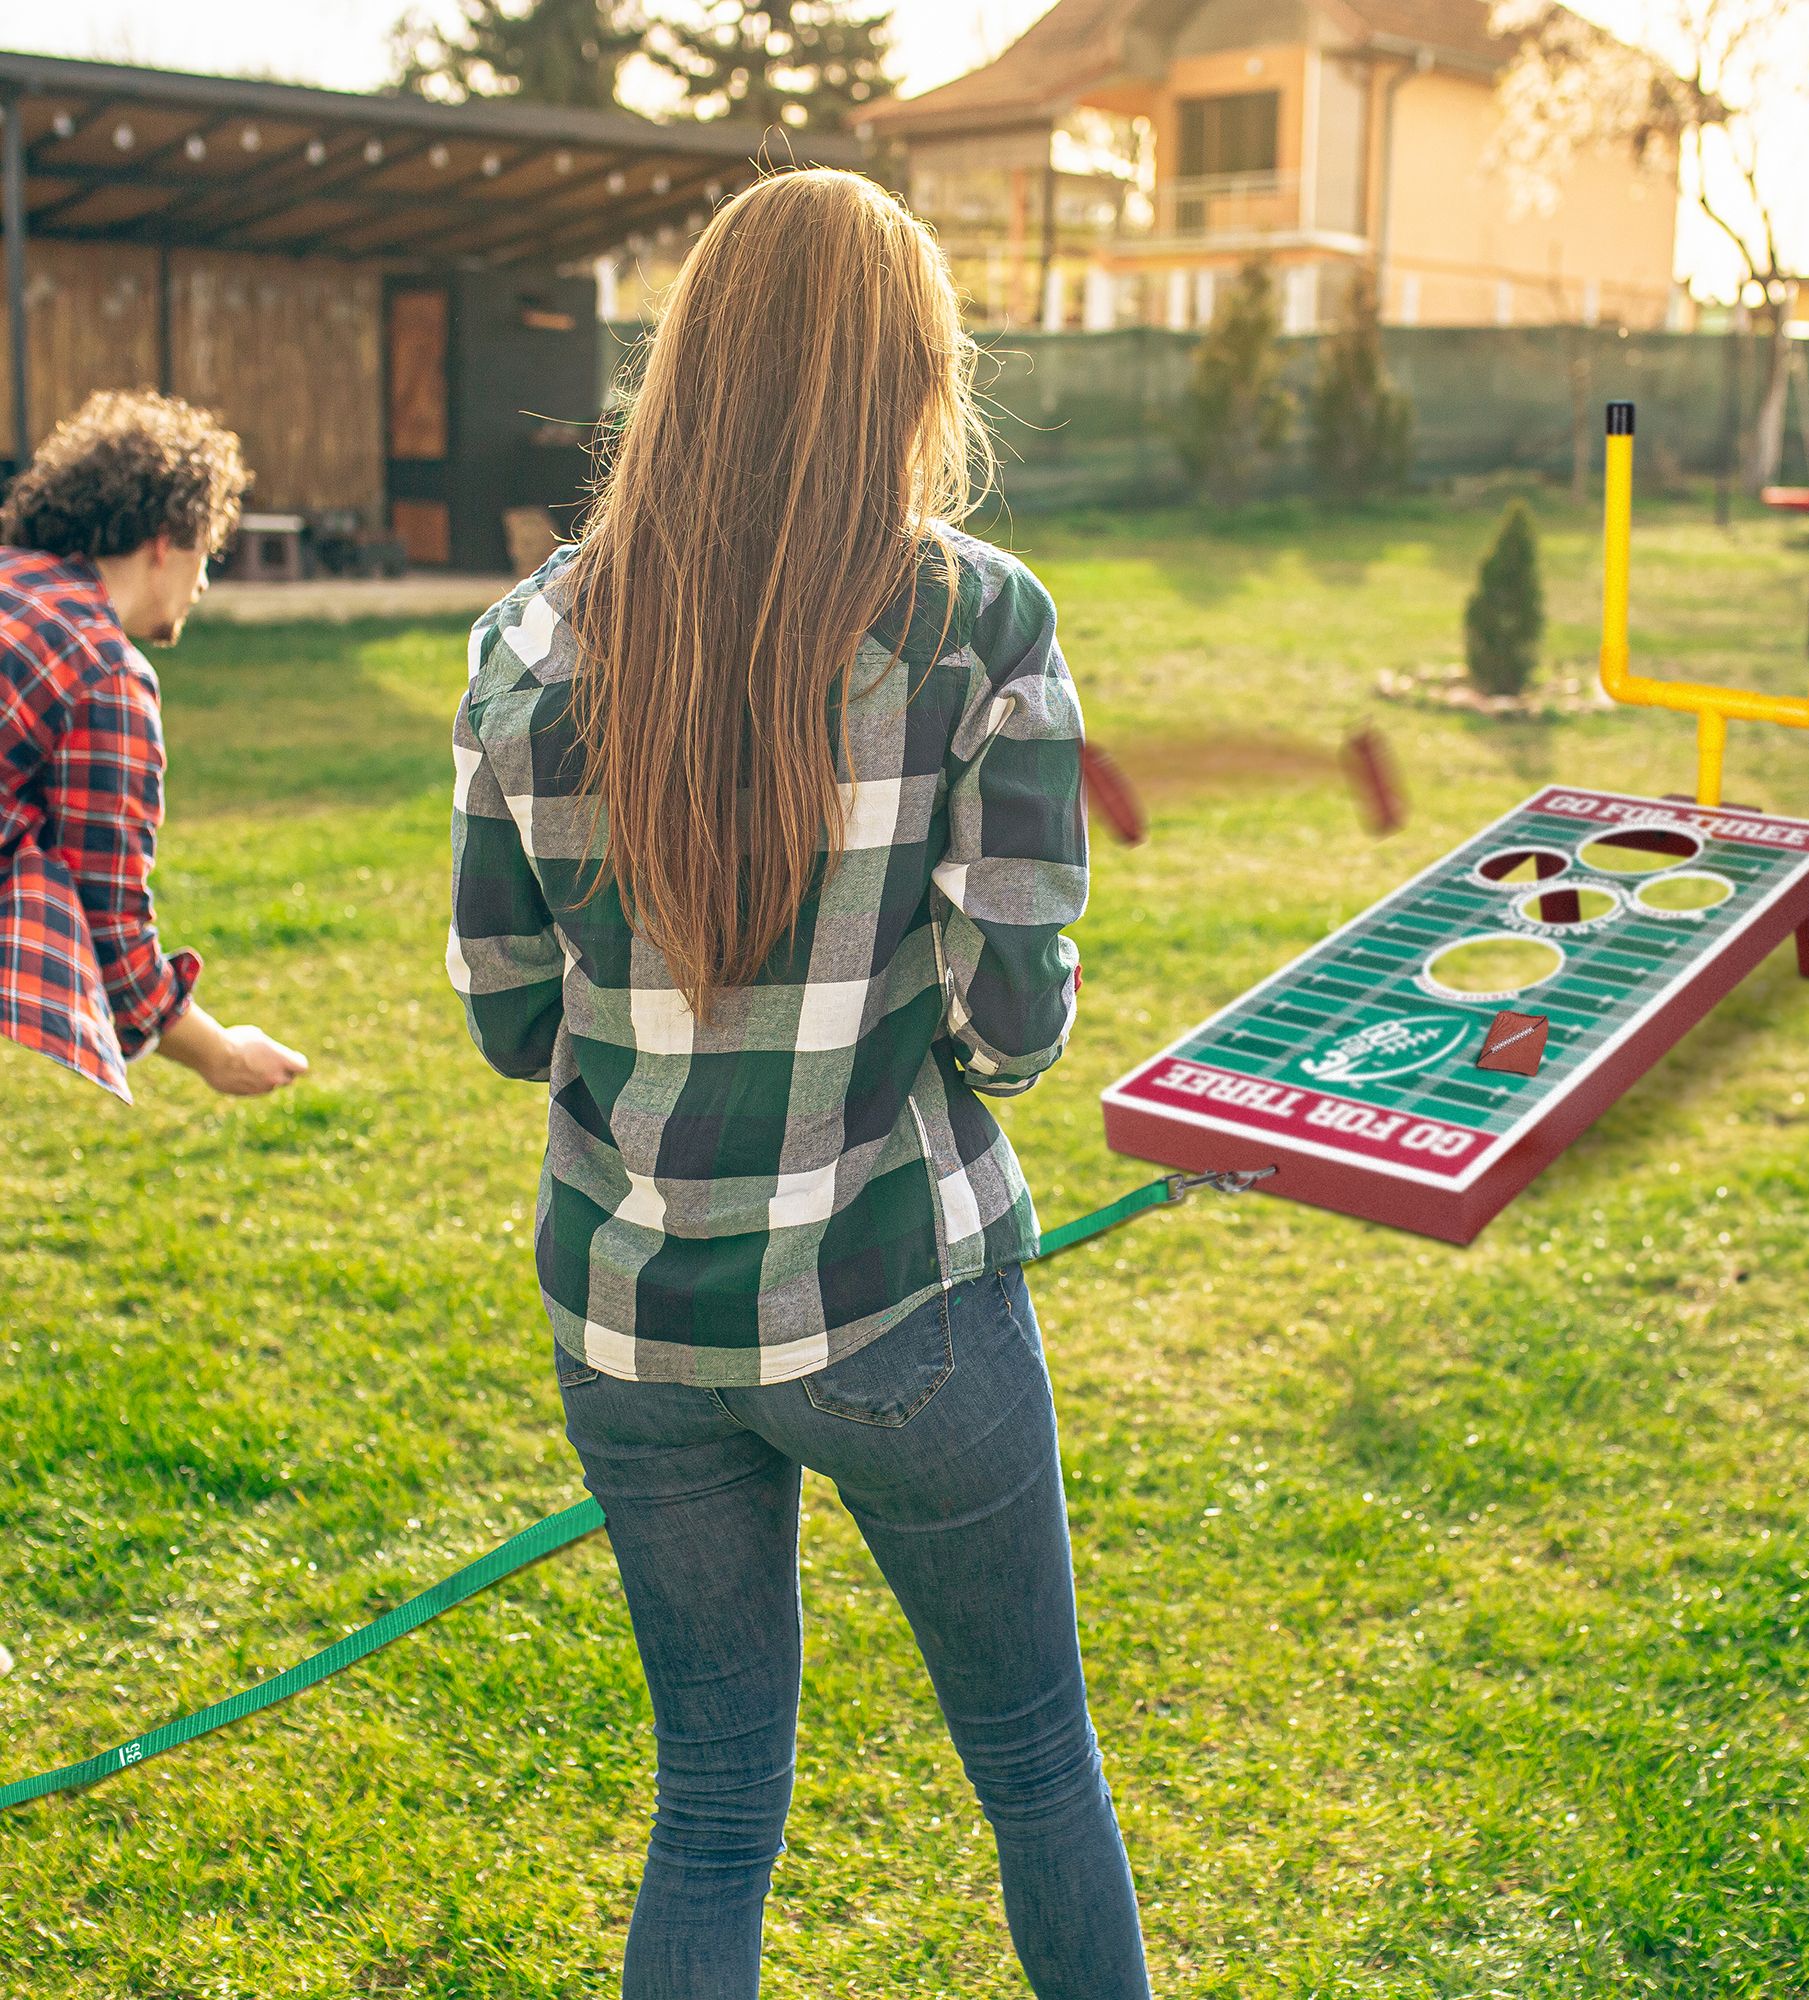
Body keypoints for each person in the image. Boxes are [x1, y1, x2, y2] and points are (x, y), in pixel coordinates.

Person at [449, 169, 1148, 1999]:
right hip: (900, 1302)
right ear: (913, 375)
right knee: (1036, 1769)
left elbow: (509, 1017)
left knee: (711, 1806)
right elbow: (1012, 1027)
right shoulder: (980, 621)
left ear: (686, 360)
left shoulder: (524, 640)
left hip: (632, 1323)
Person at [0, 389, 308, 1101]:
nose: (204, 582)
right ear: (167, 542)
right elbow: (109, 923)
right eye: (209, 552)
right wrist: (221, 1053)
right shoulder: (103, 670)